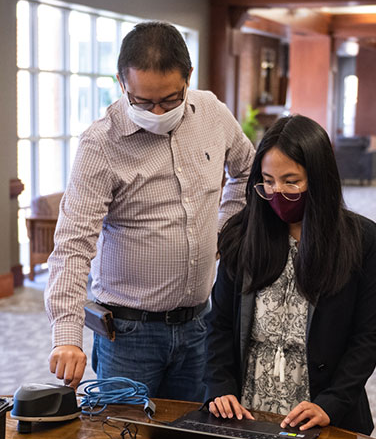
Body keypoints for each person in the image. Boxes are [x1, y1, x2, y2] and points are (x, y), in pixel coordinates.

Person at [45, 21, 255, 400]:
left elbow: (247, 172)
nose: (157, 111)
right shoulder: (100, 144)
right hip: (129, 335)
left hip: (199, 326)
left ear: (188, 77)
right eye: (142, 101)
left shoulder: (212, 113)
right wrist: (67, 335)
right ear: (122, 83)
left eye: (170, 99)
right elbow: (73, 245)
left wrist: (222, 232)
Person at [203, 114, 376, 435]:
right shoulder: (242, 233)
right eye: (268, 180)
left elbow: (368, 335)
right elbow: (219, 323)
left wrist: (331, 403)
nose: (277, 192)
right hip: (248, 411)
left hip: (320, 414)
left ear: (318, 179)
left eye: (291, 181)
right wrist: (220, 386)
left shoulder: (361, 239)